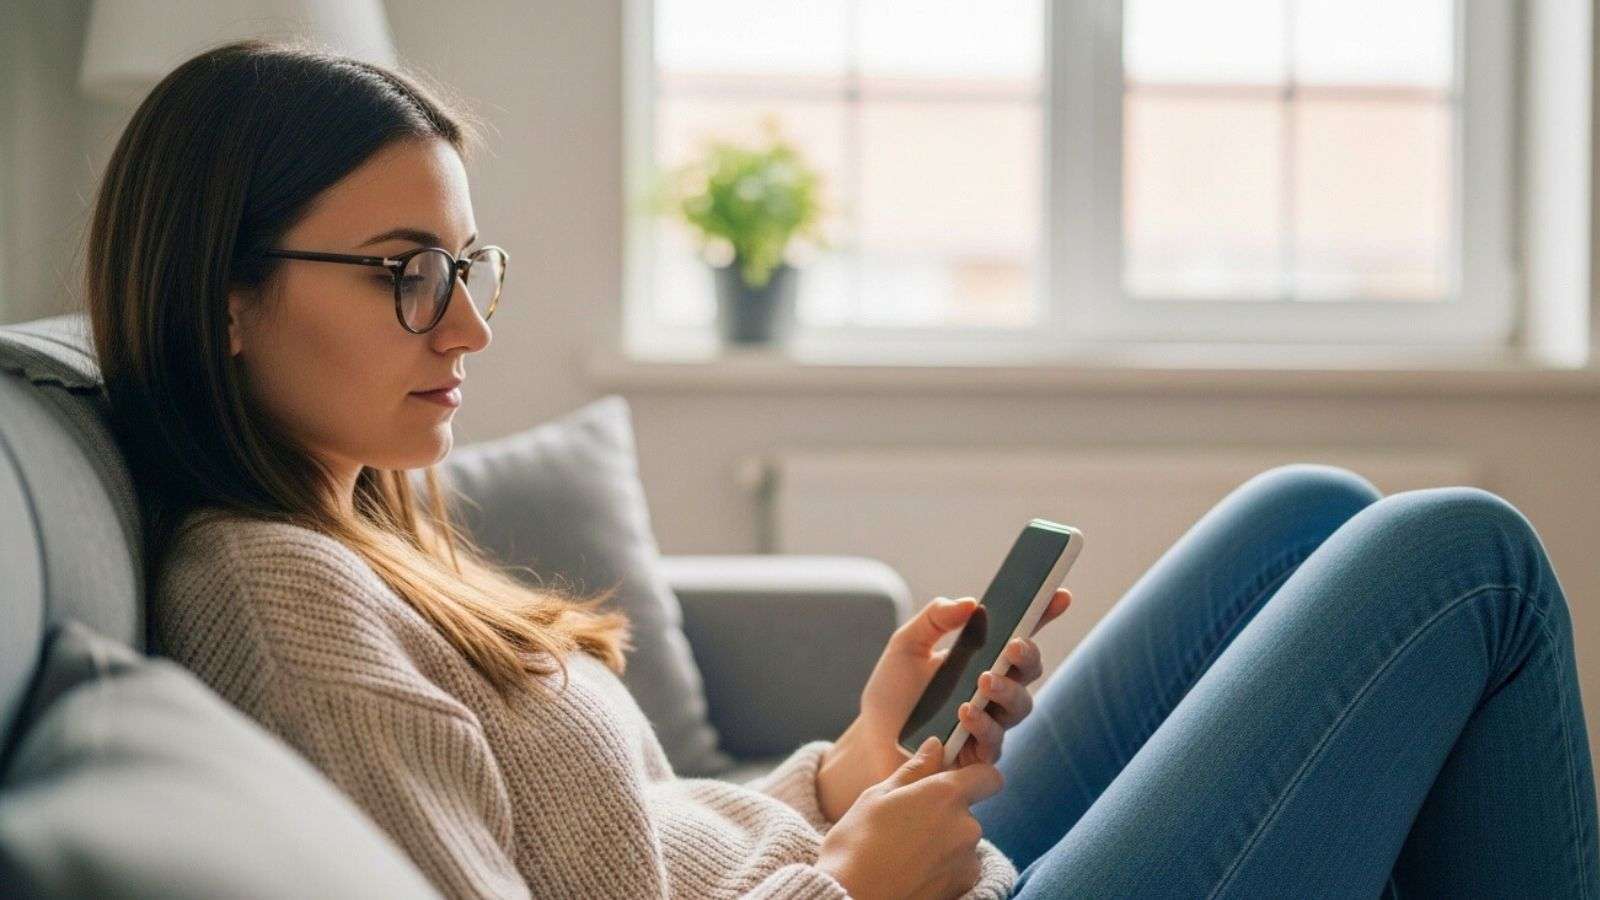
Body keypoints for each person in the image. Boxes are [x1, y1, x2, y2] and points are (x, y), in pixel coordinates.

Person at [86, 37, 1596, 900]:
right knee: (1462, 562)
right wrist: (851, 888)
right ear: (225, 293)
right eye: (406, 271)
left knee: (1307, 512)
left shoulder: (363, 531)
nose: (470, 321)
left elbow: (623, 855)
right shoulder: (281, 603)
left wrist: (853, 769)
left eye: (470, 261)